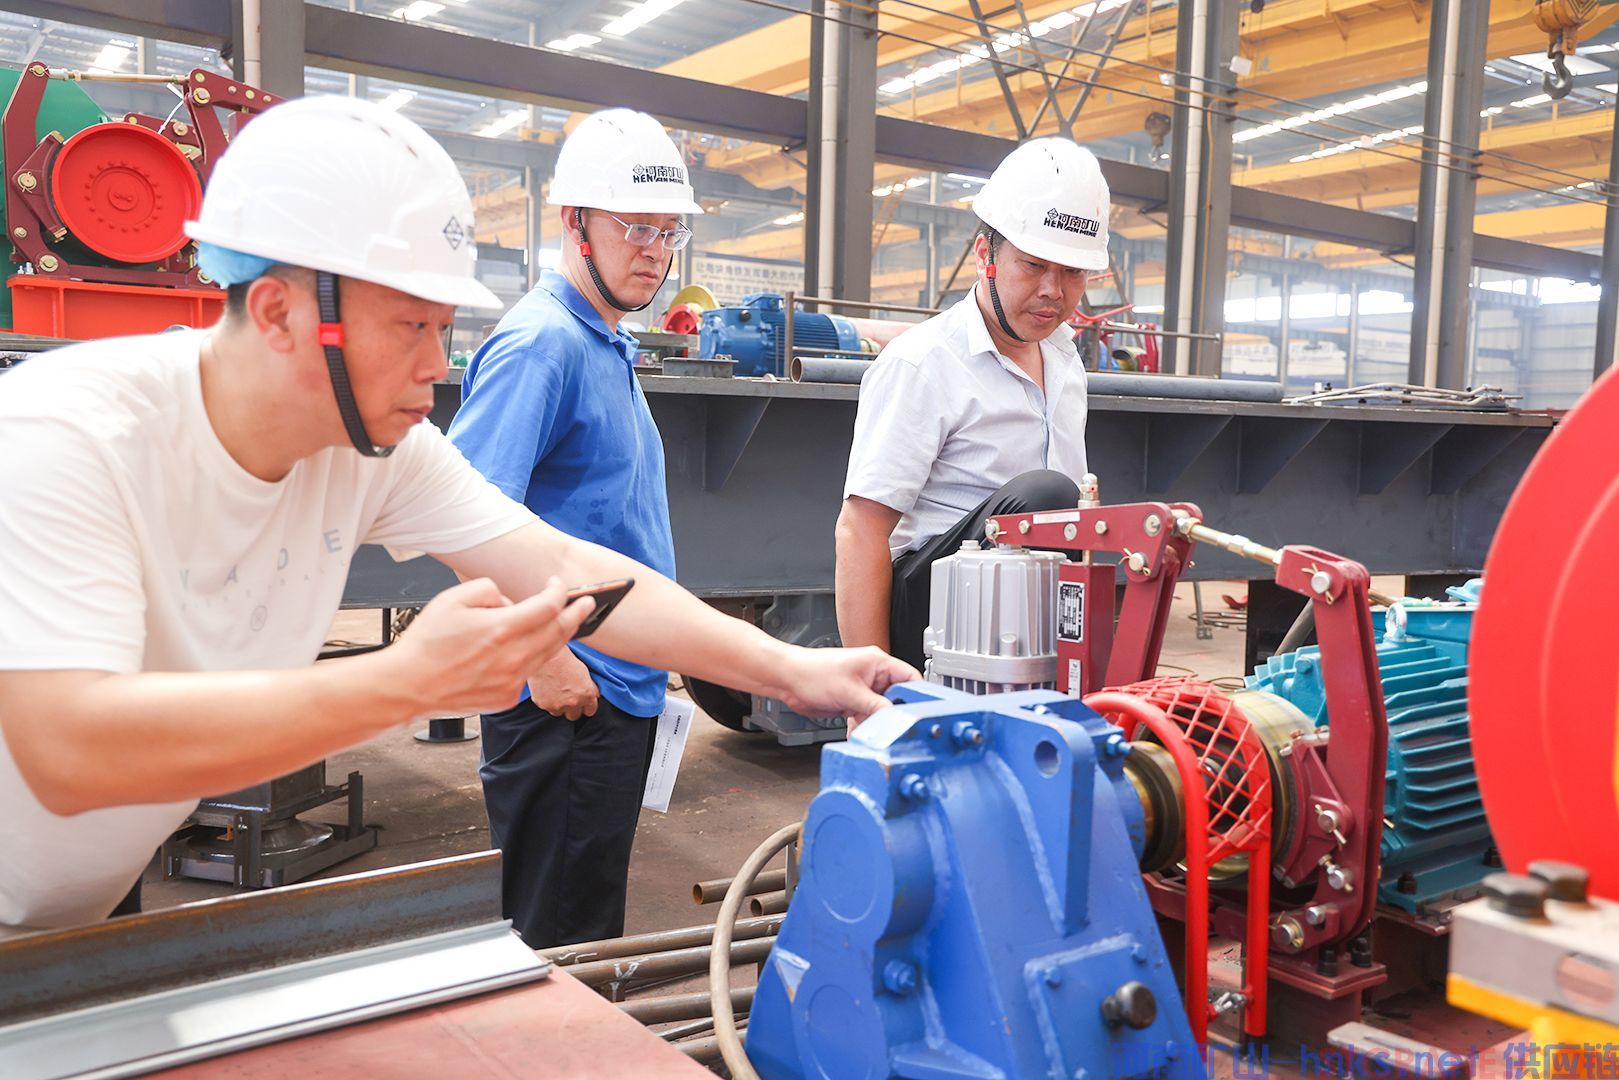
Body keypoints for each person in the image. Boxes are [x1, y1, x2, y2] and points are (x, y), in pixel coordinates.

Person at [0, 95, 916, 939]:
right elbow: (68, 748)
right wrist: (406, 681)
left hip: (81, 878)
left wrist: (794, 669)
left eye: (444, 328)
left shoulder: (368, 451)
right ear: (278, 312)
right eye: (410, 327)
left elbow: (569, 569)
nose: (438, 368)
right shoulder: (63, 437)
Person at [446, 109, 696, 948]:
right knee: (550, 939)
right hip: (564, 702)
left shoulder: (604, 343)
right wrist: (544, 658)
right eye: (634, 228)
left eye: (667, 232)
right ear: (573, 223)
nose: (654, 250)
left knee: (586, 930)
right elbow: (466, 517)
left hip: (610, 690)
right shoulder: (541, 345)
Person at [835, 137, 1110, 671]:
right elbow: (860, 529)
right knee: (1046, 497)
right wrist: (872, 691)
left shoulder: (1065, 361)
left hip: (1029, 614)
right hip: (931, 609)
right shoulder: (924, 363)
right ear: (986, 255)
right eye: (1033, 266)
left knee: (1077, 513)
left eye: (1073, 273)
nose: (1054, 290)